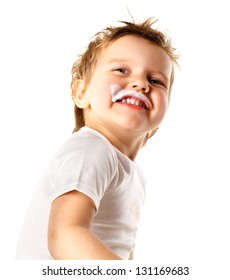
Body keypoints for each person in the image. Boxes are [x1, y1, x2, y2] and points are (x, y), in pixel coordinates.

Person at [16, 18, 179, 260]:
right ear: (82, 94)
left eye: (155, 80)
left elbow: (121, 251)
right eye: (122, 70)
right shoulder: (90, 148)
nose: (140, 84)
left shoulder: (133, 175)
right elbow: (65, 234)